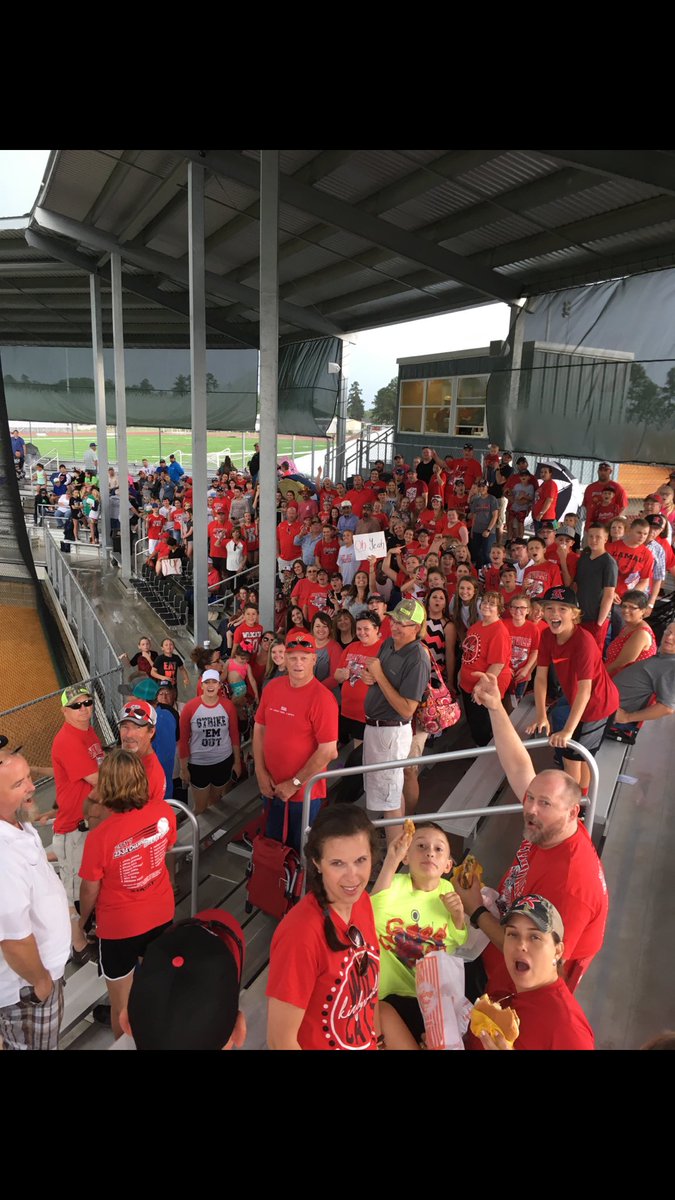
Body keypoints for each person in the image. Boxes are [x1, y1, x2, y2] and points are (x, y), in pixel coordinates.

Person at [454, 669, 609, 999]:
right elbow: (518, 765)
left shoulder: (570, 884)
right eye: (531, 799)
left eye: (544, 803)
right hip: (501, 933)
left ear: (573, 812)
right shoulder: (551, 826)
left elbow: (537, 963)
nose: (531, 810)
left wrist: (476, 910)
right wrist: (495, 706)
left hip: (513, 988)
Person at [77, 748, 176, 1039]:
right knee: (154, 987)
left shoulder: (100, 836)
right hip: (160, 914)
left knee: (121, 1006)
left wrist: (82, 920)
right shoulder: (164, 811)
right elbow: (168, 846)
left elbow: (90, 888)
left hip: (119, 928)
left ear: (106, 786)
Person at [266, 805, 380, 1051]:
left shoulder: (362, 902)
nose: (352, 876)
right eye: (338, 863)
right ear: (317, 863)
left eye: (361, 860)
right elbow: (279, 1042)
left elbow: (369, 994)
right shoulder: (300, 935)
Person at [371, 820, 467, 1050]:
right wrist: (391, 860)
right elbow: (370, 911)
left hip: (432, 1000)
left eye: (438, 849)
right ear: (406, 856)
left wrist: (458, 916)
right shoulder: (394, 884)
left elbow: (458, 940)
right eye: (421, 846)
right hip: (387, 993)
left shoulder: (448, 892)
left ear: (448, 865)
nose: (430, 853)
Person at [0, 750, 71, 1050]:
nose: (32, 787)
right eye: (19, 784)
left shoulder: (18, 821)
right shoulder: (3, 857)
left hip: (42, 974)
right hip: (28, 987)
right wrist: (41, 983)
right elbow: (14, 940)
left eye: (28, 776)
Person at [465, 896, 594, 1051]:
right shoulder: (505, 974)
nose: (521, 945)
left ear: (558, 951)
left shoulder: (568, 1029)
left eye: (535, 937)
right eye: (513, 934)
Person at [253, 629, 339, 853]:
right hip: (271, 787)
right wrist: (260, 772)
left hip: (304, 794)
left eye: (304, 658)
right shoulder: (272, 688)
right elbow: (260, 728)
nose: (298, 663)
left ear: (314, 660)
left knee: (301, 854)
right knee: (272, 851)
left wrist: (294, 784)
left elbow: (328, 751)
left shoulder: (323, 699)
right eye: (292, 657)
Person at [527, 586, 619, 791]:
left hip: (598, 706)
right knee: (577, 760)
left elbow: (585, 689)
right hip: (577, 702)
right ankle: (581, 801)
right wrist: (541, 715)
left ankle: (575, 804)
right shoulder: (547, 636)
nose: (554, 613)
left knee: (573, 760)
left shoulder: (583, 641)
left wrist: (568, 730)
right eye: (549, 608)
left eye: (562, 609)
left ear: (574, 614)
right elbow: (540, 677)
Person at [361, 598, 431, 842]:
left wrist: (378, 675)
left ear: (416, 628)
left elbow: (407, 709)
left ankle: (395, 855)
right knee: (391, 793)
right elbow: (375, 674)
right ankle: (399, 845)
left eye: (403, 623)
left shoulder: (418, 658)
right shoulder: (389, 643)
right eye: (394, 620)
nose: (395, 626)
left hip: (390, 733)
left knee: (389, 800)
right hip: (376, 729)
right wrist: (369, 676)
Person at [50, 684, 105, 965]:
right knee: (74, 893)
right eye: (76, 705)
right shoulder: (68, 740)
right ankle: (77, 944)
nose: (84, 709)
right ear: (64, 711)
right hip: (74, 827)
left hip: (89, 823)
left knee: (89, 885)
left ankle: (85, 931)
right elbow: (98, 778)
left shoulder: (88, 731)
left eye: (87, 703)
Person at [179, 670, 242, 815]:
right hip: (198, 764)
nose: (210, 686)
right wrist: (183, 768)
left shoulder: (228, 706)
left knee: (215, 801)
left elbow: (234, 735)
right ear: (201, 685)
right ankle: (198, 830)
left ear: (220, 685)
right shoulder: (190, 707)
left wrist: (237, 761)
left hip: (222, 761)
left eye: (214, 682)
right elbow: (183, 740)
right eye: (207, 682)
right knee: (200, 808)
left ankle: (213, 829)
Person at [459, 590, 512, 746]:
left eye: (492, 604)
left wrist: (480, 686)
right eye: (485, 602)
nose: (486, 606)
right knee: (473, 721)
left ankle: (485, 750)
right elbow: (468, 653)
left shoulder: (499, 631)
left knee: (483, 725)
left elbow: (497, 664)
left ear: (499, 609)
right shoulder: (476, 626)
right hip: (468, 684)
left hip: (482, 688)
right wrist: (460, 673)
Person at [614, 622, 675, 729]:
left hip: (608, 711)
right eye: (668, 632)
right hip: (603, 700)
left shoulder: (671, 666)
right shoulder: (663, 657)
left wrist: (627, 717)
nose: (669, 637)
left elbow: (667, 707)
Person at [574, 522, 619, 650]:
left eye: (598, 537)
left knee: (592, 651)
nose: (593, 540)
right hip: (580, 615)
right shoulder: (584, 558)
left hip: (596, 617)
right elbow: (577, 585)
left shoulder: (609, 563)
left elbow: (609, 595)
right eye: (591, 536)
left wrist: (599, 622)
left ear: (605, 538)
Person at [605, 590, 656, 677]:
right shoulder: (629, 626)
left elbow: (620, 664)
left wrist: (597, 676)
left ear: (643, 611)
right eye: (624, 606)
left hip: (624, 680)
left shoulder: (641, 633)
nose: (626, 610)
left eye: (632, 607)